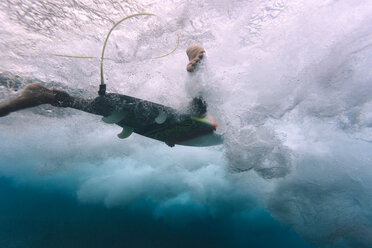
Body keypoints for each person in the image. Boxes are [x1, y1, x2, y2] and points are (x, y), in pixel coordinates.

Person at [0, 44, 207, 118]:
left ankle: (43, 95)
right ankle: (196, 72)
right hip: (178, 108)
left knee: (94, 105)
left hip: (128, 102)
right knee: (196, 111)